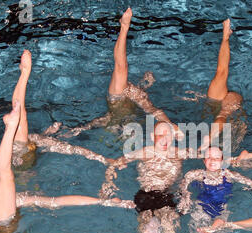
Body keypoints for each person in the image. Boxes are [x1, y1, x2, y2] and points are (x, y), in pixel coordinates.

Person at [0, 100, 135, 233]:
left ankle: (11, 126)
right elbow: (57, 202)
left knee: (6, 175)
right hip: (3, 219)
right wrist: (104, 202)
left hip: (1, 220)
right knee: (6, 175)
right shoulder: (6, 225)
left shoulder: (2, 230)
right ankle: (11, 126)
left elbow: (58, 202)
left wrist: (104, 202)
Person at [57, 8, 183, 140]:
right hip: (129, 97)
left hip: (117, 98)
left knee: (122, 70)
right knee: (123, 70)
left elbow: (90, 124)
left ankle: (124, 28)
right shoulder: (138, 119)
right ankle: (124, 28)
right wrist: (170, 125)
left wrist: (76, 130)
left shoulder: (109, 120)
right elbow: (155, 111)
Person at [10, 49, 115, 169]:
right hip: (27, 154)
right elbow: (18, 111)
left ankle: (89, 126)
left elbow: (18, 110)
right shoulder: (25, 144)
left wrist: (24, 72)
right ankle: (90, 125)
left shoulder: (21, 146)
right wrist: (25, 72)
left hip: (26, 155)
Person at [102, 121, 196, 233]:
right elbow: (114, 164)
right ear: (152, 137)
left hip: (167, 196)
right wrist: (109, 182)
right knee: (147, 229)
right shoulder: (144, 153)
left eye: (167, 134)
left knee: (169, 228)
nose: (164, 138)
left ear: (173, 136)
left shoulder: (180, 153)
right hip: (145, 195)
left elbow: (209, 157)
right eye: (160, 135)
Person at [177, 147, 252, 232]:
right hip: (201, 205)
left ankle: (215, 226)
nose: (212, 160)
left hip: (222, 207)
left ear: (222, 161)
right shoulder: (197, 174)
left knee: (220, 229)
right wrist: (185, 198)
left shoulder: (229, 175)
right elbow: (184, 183)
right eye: (209, 157)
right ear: (204, 161)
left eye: (216, 158)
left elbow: (250, 183)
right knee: (198, 230)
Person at [199, 19, 247, 153]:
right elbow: (223, 118)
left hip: (212, 105)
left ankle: (226, 37)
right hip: (231, 110)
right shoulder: (232, 143)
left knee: (221, 73)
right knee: (223, 114)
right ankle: (226, 36)